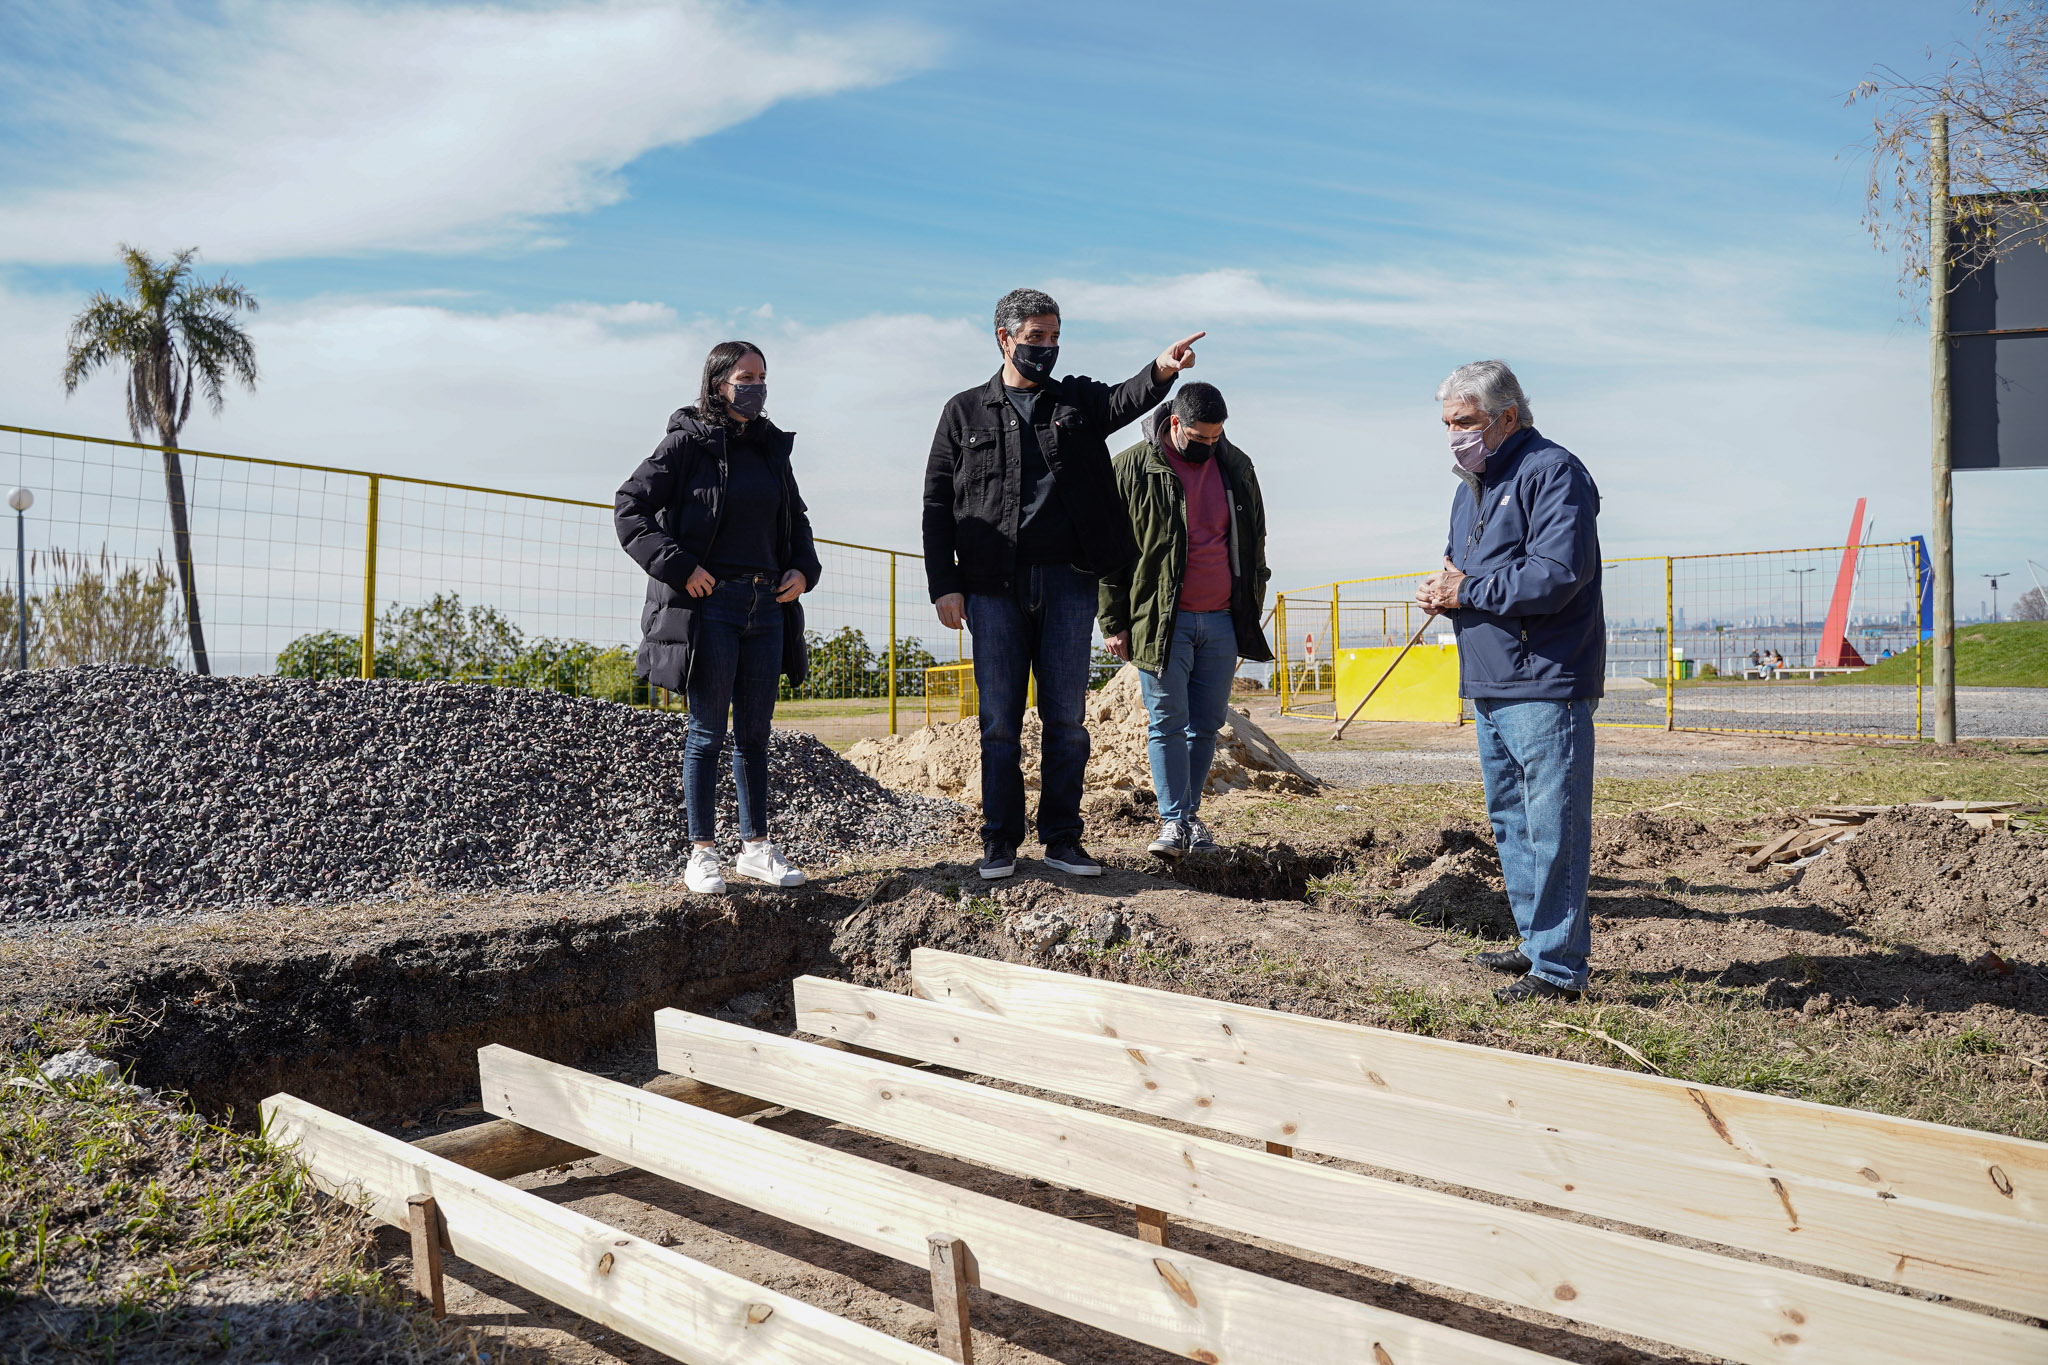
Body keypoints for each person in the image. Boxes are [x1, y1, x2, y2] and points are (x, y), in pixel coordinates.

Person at [923, 287, 1205, 880]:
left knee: (1066, 720)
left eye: (1054, 338)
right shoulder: (964, 411)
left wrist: (1161, 370)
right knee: (998, 721)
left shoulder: (1074, 401)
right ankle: (1000, 841)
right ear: (1004, 339)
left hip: (1071, 584)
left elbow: (1123, 401)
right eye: (1035, 339)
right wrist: (944, 584)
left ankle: (1062, 839)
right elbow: (936, 503)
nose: (1046, 349)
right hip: (991, 588)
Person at [1416, 360, 1603, 1003]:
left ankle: (1558, 967)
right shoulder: (1472, 484)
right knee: (1512, 821)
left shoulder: (1553, 472)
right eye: (1446, 424)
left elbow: (1558, 571)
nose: (1453, 436)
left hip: (1544, 676)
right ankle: (1534, 944)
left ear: (1507, 417)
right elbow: (1460, 564)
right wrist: (1446, 586)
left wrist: (1467, 589)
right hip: (1492, 676)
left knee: (1553, 824)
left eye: (1464, 422)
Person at [616, 341, 822, 896]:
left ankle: (756, 848)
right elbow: (629, 508)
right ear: (716, 383)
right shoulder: (685, 444)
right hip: (711, 608)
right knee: (706, 733)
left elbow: (795, 520)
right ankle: (702, 854)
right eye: (744, 378)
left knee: (754, 735)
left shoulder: (772, 450)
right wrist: (681, 567)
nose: (755, 387)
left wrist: (804, 569)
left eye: (762, 377)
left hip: (768, 607)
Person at [1100, 382, 1273, 858]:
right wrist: (1113, 621)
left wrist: (1249, 607)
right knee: (1167, 722)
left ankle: (1190, 817)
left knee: (1207, 723)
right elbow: (1109, 554)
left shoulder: (1236, 467)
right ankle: (1173, 822)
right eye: (1200, 439)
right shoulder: (1132, 468)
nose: (1209, 447)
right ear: (1174, 424)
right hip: (1160, 621)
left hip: (1220, 620)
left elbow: (1253, 542)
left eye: (1216, 438)